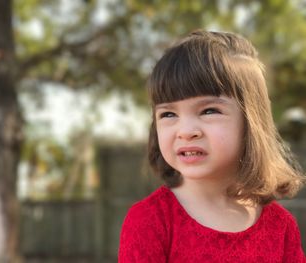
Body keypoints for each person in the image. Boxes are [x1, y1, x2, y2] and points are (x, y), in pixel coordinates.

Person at [118, 30, 306, 262]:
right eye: (168, 114)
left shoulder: (281, 226)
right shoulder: (149, 221)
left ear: (251, 123)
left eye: (208, 111)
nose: (186, 131)